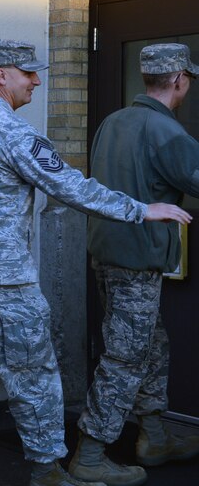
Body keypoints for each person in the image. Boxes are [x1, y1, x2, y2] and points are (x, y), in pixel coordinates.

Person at [0, 39, 192, 486]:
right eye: (28, 73)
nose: (37, 81)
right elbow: (71, 187)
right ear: (1, 75)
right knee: (34, 373)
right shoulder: (12, 132)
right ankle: (49, 474)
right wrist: (141, 209)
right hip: (2, 279)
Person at [68, 43, 199, 486]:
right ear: (179, 79)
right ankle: (90, 453)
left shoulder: (113, 121)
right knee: (126, 357)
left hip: (107, 254)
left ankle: (155, 436)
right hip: (137, 259)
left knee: (151, 344)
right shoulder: (167, 131)